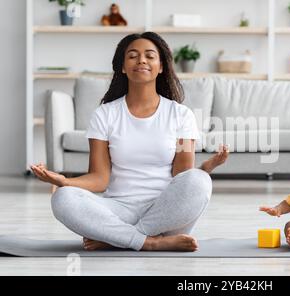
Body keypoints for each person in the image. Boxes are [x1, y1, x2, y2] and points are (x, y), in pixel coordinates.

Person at [30, 32, 228, 252]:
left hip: (165, 212)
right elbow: (99, 179)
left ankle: (118, 237)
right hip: (118, 209)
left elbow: (182, 176)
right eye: (133, 55)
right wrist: (64, 181)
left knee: (199, 181)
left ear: (161, 67)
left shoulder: (181, 115)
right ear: (123, 67)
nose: (141, 60)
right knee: (63, 198)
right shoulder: (105, 114)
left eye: (150, 56)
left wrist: (206, 168)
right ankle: (150, 242)